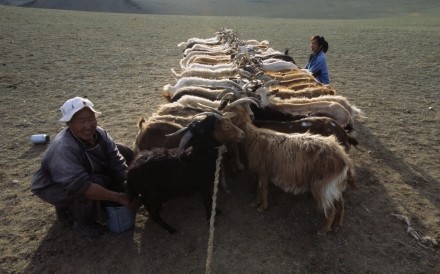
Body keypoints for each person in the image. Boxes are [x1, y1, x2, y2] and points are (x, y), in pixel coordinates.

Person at [31, 96, 136, 237]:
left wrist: (128, 184)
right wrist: (118, 197)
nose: (88, 125)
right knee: (93, 184)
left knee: (123, 150)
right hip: (53, 185)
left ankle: (103, 198)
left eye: (91, 118)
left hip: (82, 171)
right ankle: (78, 221)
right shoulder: (63, 148)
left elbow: (117, 159)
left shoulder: (100, 133)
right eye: (81, 121)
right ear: (69, 124)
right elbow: (81, 186)